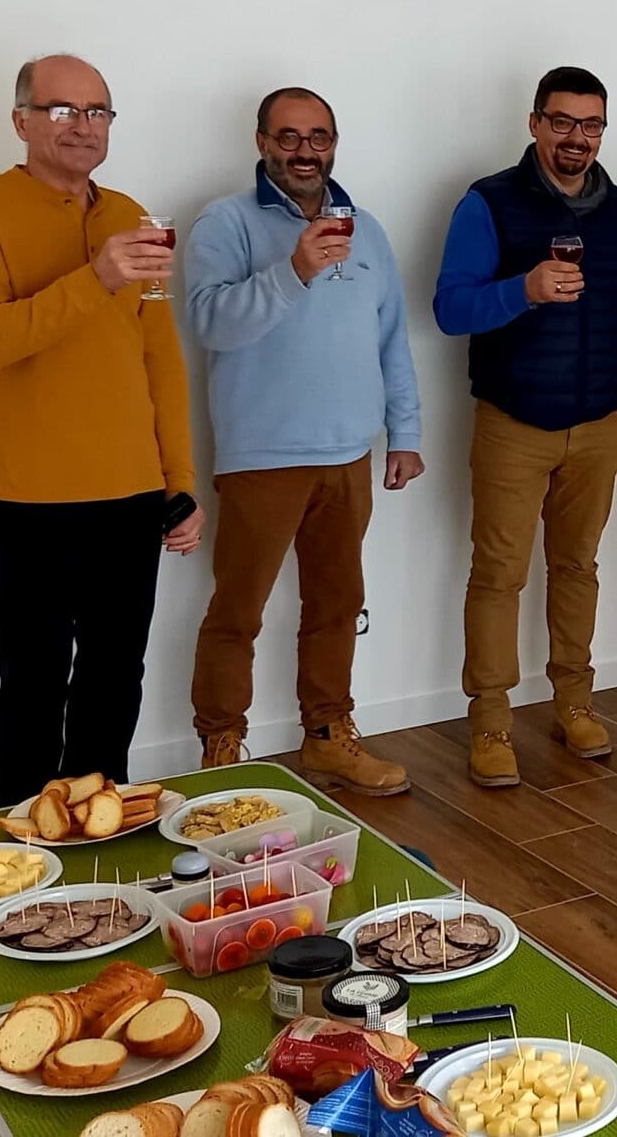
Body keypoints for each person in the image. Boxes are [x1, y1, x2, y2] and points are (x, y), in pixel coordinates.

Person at [0, 55, 205, 806]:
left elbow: (162, 361)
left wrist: (180, 482)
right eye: (62, 110)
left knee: (117, 677)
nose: (82, 127)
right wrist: (99, 277)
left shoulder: (130, 215)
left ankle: (96, 826)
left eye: (98, 112)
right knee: (34, 682)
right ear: (21, 120)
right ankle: (25, 849)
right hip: (34, 496)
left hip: (133, 490)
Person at [182, 87, 421, 797]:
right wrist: (293, 272)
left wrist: (403, 431)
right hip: (263, 456)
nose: (304, 150)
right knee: (237, 611)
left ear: (335, 142)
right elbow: (211, 327)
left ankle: (328, 737)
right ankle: (221, 746)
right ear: (261, 142)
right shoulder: (222, 224)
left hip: (350, 453)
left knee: (338, 605)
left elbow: (390, 340)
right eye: (288, 137)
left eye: (318, 136)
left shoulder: (366, 228)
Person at [433, 66, 617, 788]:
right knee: (498, 574)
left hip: (602, 424)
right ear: (535, 123)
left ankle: (575, 702)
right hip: (512, 422)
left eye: (590, 125)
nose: (576, 138)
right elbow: (449, 309)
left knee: (577, 568)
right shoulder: (488, 203)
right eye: (562, 121)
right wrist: (524, 290)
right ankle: (492, 723)